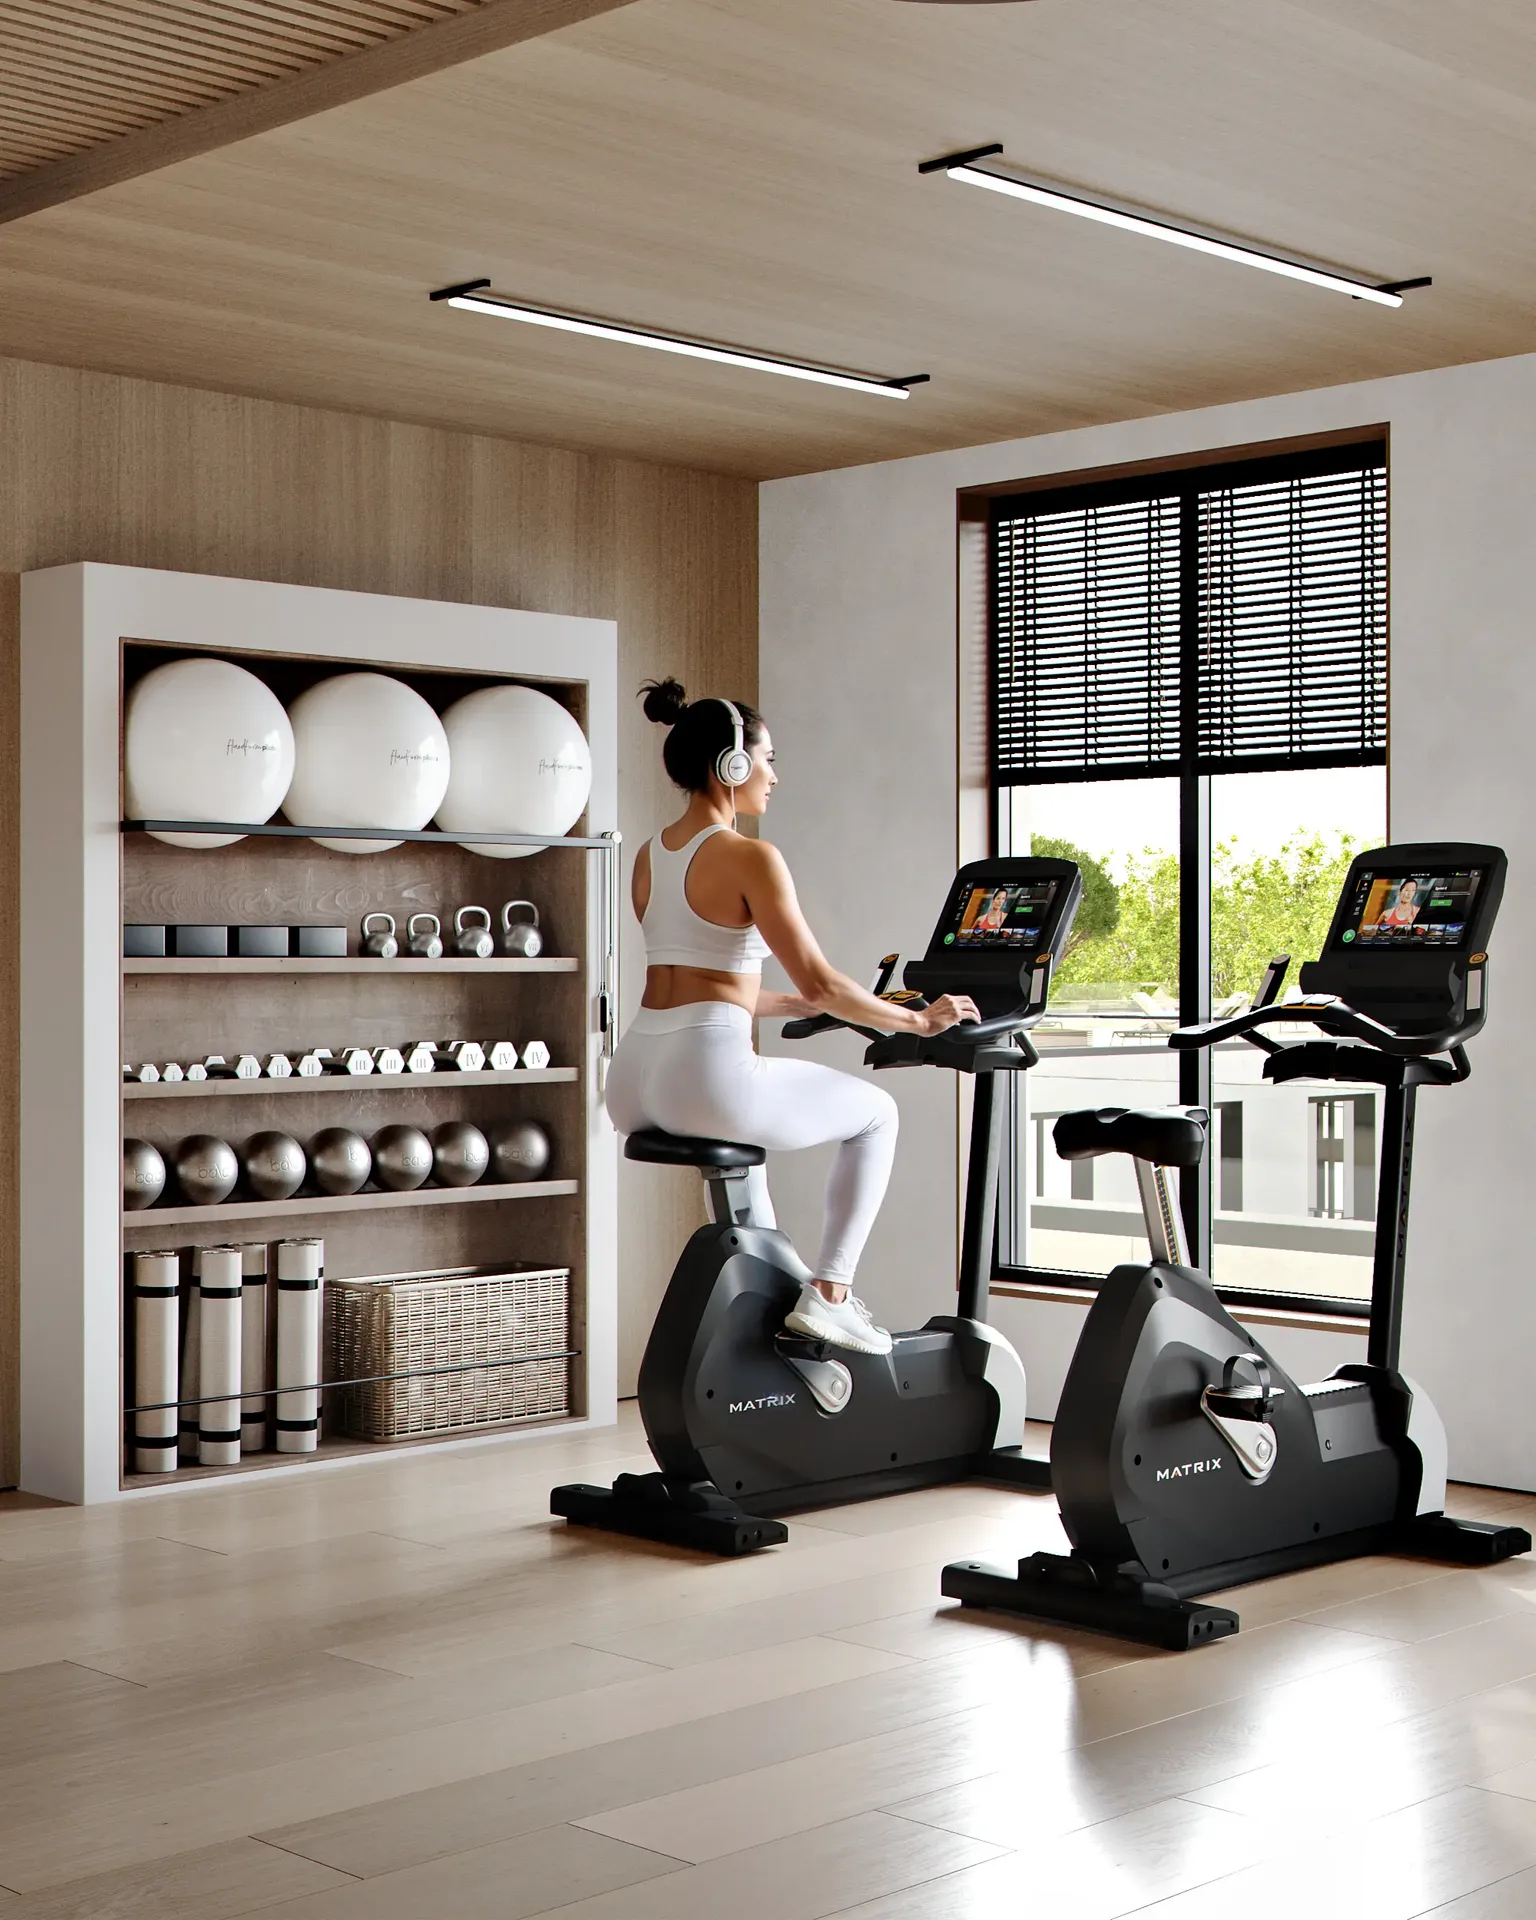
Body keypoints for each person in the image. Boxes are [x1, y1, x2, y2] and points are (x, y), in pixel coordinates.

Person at [604, 679, 979, 1357]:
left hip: (636, 1077)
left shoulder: (649, 857)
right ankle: (831, 1295)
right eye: (767, 759)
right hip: (705, 1074)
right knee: (877, 1115)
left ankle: (781, 1307)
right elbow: (824, 978)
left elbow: (713, 984)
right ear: (733, 767)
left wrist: (800, 1006)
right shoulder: (751, 855)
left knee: (756, 1178)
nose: (774, 776)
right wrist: (922, 1023)